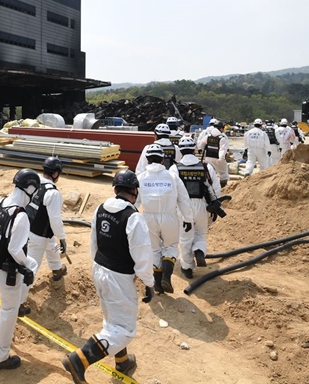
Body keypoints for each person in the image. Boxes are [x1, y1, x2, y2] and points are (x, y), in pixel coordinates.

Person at [61, 170, 155, 383]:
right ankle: (79, 360)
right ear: (135, 191)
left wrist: (100, 267)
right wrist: (148, 282)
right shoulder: (133, 218)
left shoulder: (100, 209)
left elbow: (94, 243)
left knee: (113, 320)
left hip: (100, 269)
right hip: (118, 277)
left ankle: (122, 361)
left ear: (115, 189)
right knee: (125, 329)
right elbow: (142, 255)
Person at [0, 168, 40, 371]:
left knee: (31, 265)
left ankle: (20, 301)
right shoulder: (20, 215)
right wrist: (24, 267)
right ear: (30, 188)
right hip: (10, 272)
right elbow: (15, 249)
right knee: (8, 310)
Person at [136, 144, 192, 294]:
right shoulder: (173, 177)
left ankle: (158, 283)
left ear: (147, 159)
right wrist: (188, 218)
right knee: (171, 246)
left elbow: (134, 202)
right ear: (162, 159)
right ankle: (166, 277)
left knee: (153, 249)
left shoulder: (140, 178)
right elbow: (184, 199)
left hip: (148, 217)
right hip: (170, 217)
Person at [171, 137, 221, 278]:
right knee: (199, 233)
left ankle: (187, 267)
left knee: (185, 238)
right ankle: (199, 249)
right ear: (194, 150)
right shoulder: (206, 167)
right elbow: (215, 188)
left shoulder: (175, 169)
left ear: (180, 150)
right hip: (201, 205)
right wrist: (214, 205)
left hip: (182, 207)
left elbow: (172, 191)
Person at [25, 157, 68, 284]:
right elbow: (55, 219)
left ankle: (57, 269)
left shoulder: (34, 184)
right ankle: (20, 300)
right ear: (55, 174)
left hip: (32, 229)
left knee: (52, 247)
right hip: (38, 237)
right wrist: (62, 238)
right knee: (31, 267)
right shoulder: (52, 193)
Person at [197, 119, 230, 187]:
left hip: (208, 158)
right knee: (223, 174)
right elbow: (222, 149)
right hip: (218, 159)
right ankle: (223, 187)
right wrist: (221, 158)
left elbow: (201, 143)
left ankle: (210, 186)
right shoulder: (222, 137)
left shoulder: (208, 136)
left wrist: (200, 149)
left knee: (209, 173)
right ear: (221, 128)